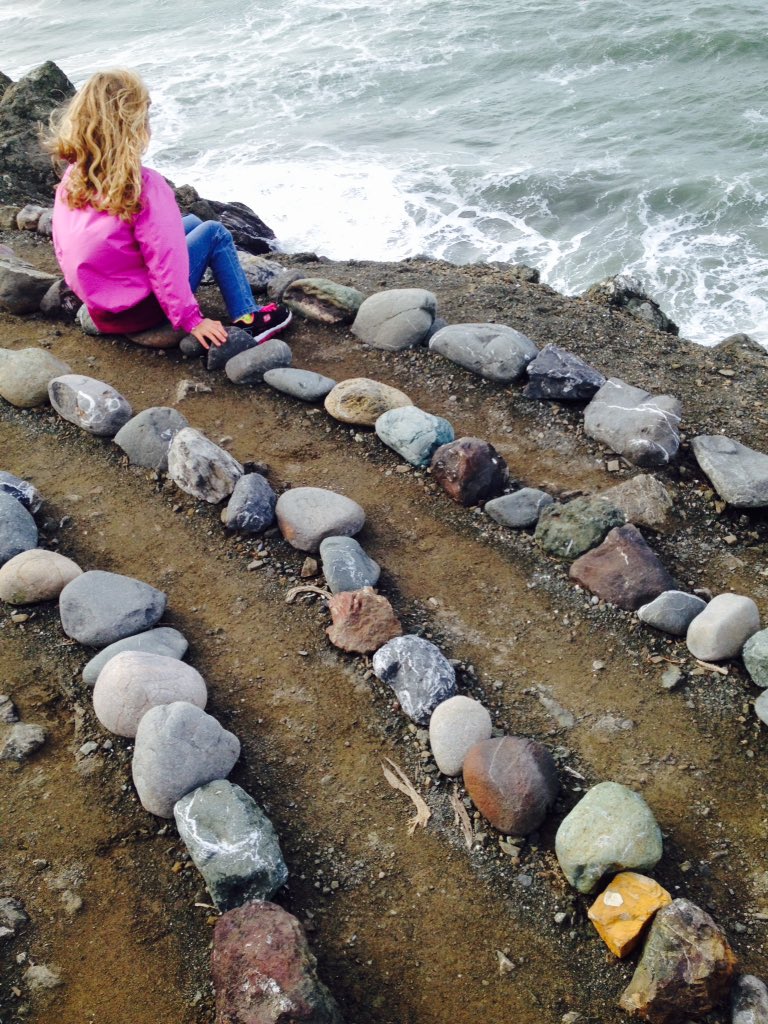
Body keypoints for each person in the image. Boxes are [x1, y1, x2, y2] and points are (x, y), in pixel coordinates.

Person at [49, 69, 291, 350]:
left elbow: (63, 245)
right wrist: (191, 319)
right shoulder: (143, 185)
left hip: (102, 307)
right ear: (134, 126)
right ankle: (248, 318)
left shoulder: (74, 176)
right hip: (141, 311)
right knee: (214, 232)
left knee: (191, 222)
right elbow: (165, 260)